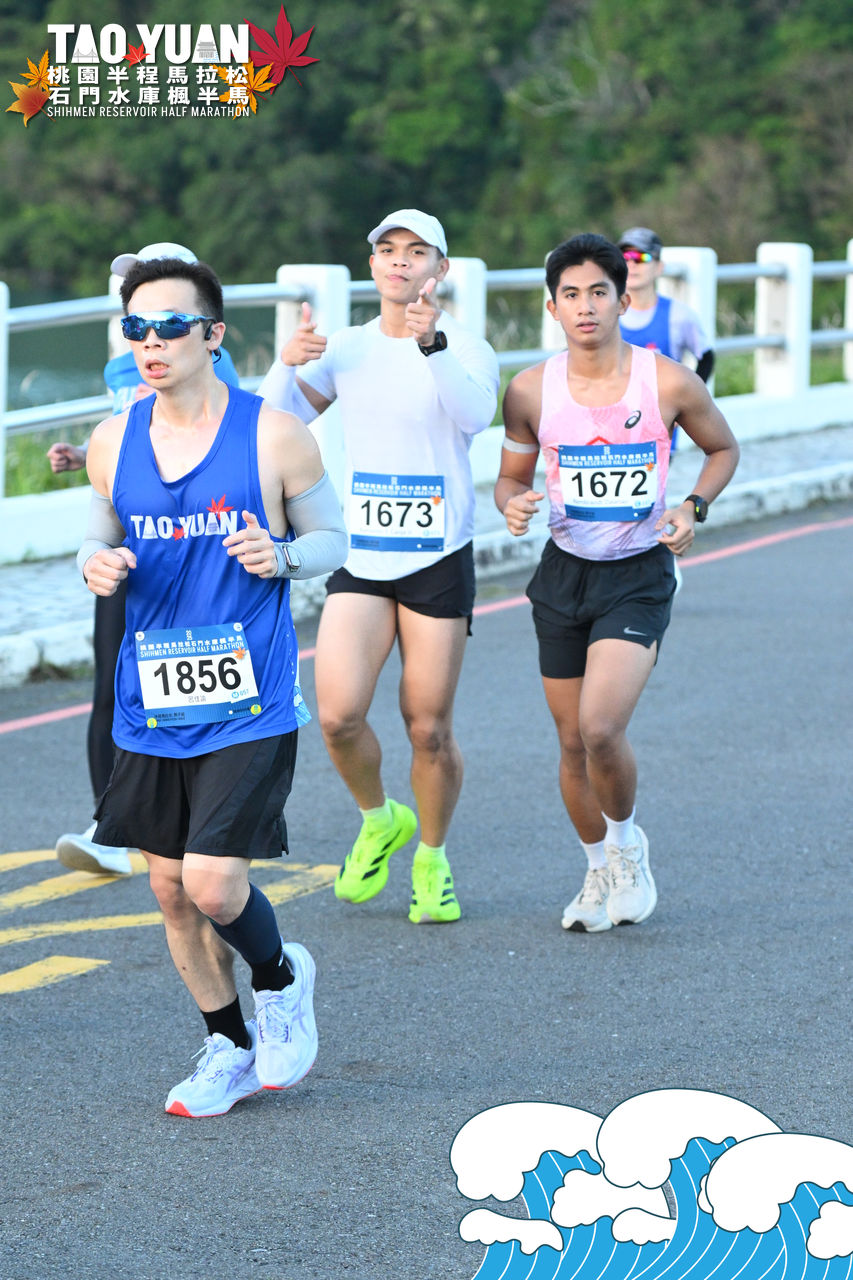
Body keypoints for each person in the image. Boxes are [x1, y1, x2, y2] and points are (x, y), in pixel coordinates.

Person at [78, 254, 347, 1116]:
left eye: (170, 327)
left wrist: (285, 555)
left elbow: (333, 538)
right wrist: (95, 562)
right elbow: (96, 534)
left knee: (212, 885)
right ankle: (227, 1045)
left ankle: (281, 976)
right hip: (151, 698)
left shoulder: (274, 435)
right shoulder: (113, 439)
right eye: (137, 329)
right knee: (168, 889)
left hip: (248, 697)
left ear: (213, 334)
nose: (151, 343)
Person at [258, 209, 499, 923]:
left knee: (427, 727)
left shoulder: (466, 346)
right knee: (336, 717)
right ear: (372, 266)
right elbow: (275, 425)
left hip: (437, 556)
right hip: (361, 554)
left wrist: (432, 347)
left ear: (439, 269)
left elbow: (474, 417)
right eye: (388, 250)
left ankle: (432, 858)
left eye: (416, 251)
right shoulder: (346, 348)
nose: (400, 261)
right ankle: (379, 817)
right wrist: (286, 361)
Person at [495, 233, 738, 932]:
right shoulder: (529, 390)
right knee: (570, 742)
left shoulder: (667, 381)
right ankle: (596, 867)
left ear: (622, 301)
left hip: (637, 572)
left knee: (600, 728)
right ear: (551, 307)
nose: (585, 306)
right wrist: (512, 503)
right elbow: (508, 479)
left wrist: (692, 507)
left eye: (598, 292)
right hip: (562, 574)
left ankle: (628, 848)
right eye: (570, 294)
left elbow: (722, 448)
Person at [51, 243, 240, 877]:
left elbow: (225, 446)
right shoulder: (121, 367)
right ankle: (109, 825)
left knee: (200, 689)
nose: (148, 329)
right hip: (131, 553)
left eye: (166, 315)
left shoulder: (218, 372)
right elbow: (128, 441)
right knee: (112, 685)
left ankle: (208, 820)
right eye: (130, 300)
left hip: (200, 558)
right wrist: (83, 457)